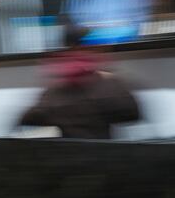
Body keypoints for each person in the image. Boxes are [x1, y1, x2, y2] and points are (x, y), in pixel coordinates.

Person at [14, 26, 142, 140]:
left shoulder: (56, 85)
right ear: (88, 46)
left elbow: (28, 118)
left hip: (67, 160)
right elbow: (133, 114)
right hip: (103, 159)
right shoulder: (106, 83)